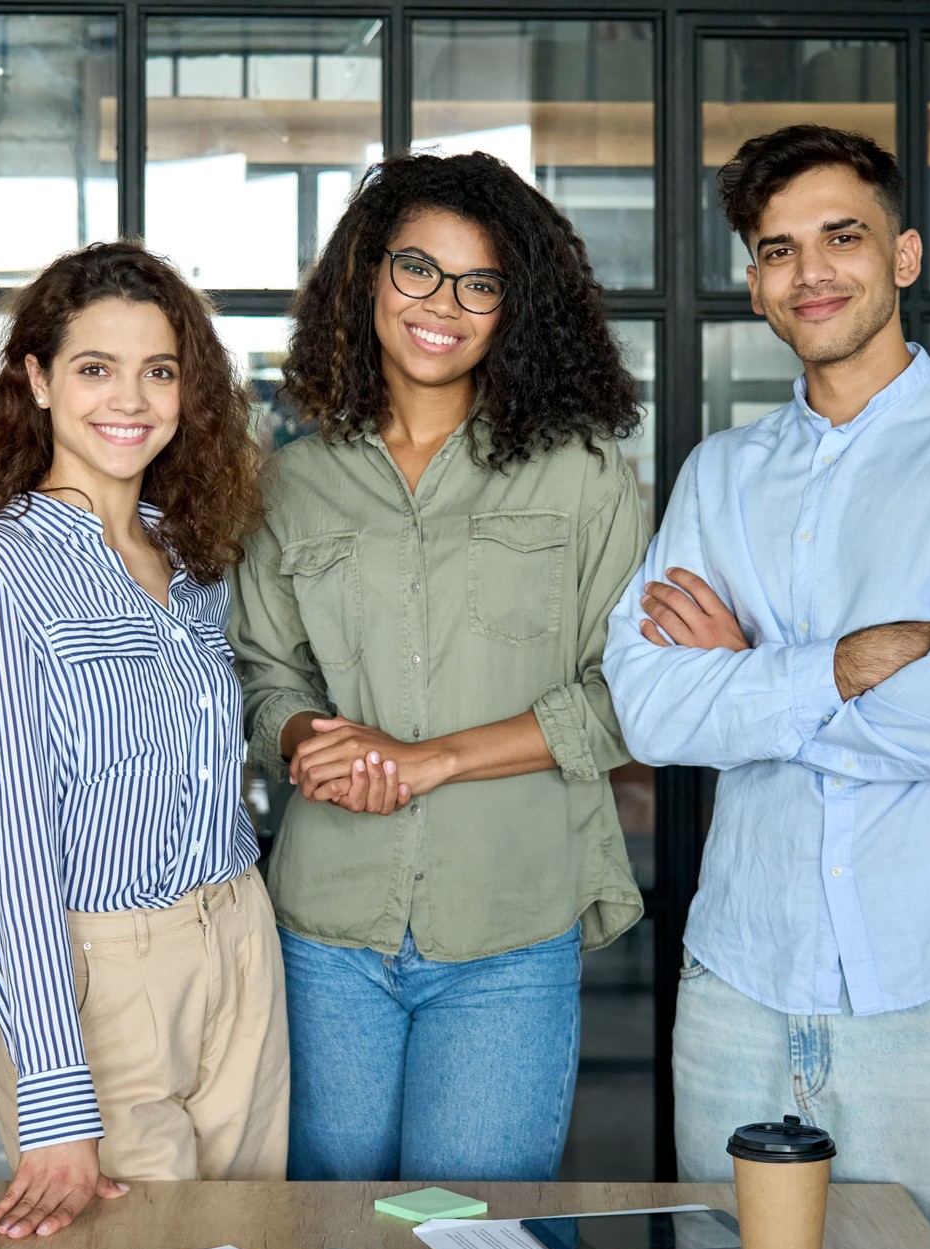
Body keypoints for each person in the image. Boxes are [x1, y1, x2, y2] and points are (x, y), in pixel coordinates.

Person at [602, 125, 930, 1249]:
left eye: (842, 236)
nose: (810, 271)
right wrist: (838, 663)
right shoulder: (718, 472)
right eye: (778, 249)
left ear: (905, 255)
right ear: (756, 282)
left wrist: (751, 684)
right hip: (737, 988)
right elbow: (651, 709)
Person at [228, 151, 649, 1181]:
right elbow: (260, 669)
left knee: (466, 1234)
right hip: (325, 929)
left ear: (516, 307)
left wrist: (433, 760)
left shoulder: (585, 475)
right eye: (417, 268)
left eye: (480, 283)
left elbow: (633, 697)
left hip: (509, 928)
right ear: (369, 276)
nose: (443, 305)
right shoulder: (294, 484)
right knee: (327, 1229)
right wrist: (300, 739)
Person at [0, 242, 282, 1242]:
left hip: (242, 938)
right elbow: (1, 845)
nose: (132, 398)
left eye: (159, 370)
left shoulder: (190, 553)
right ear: (34, 380)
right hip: (100, 969)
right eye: (94, 367)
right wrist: (55, 1094)